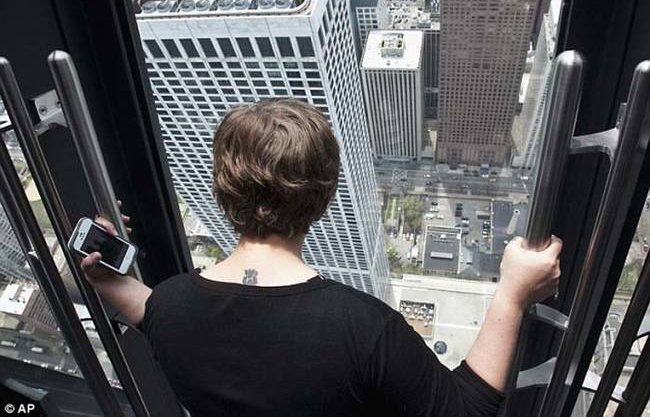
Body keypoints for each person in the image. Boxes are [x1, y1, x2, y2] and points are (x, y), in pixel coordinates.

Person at [81, 99, 562, 416]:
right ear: (325, 197)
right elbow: (467, 412)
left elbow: (131, 302)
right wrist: (513, 296)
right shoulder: (361, 329)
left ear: (220, 191)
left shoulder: (171, 307)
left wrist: (94, 265)